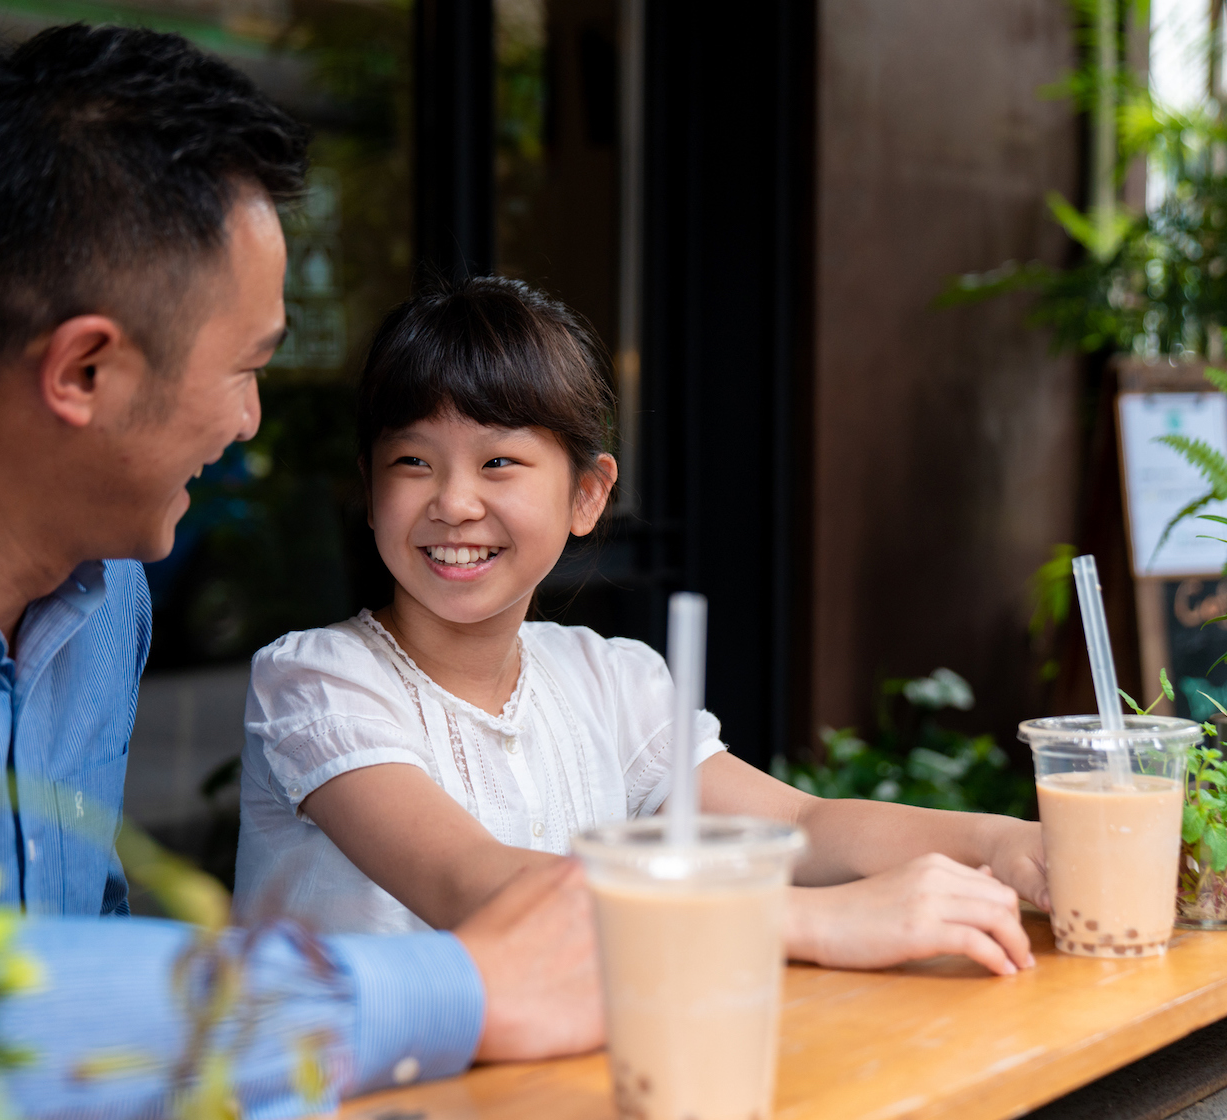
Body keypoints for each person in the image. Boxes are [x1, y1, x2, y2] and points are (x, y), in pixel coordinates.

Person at [0, 25, 601, 1118]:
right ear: (85, 369)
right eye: (248, 367)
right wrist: (469, 985)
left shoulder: (97, 588)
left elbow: (80, 971)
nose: (253, 422)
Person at [236, 276, 1050, 976]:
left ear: (587, 494)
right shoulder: (317, 681)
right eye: (413, 461)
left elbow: (800, 824)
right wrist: (816, 924)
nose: (453, 502)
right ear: (368, 487)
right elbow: (472, 882)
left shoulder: (608, 679)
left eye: (498, 462)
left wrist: (997, 840)